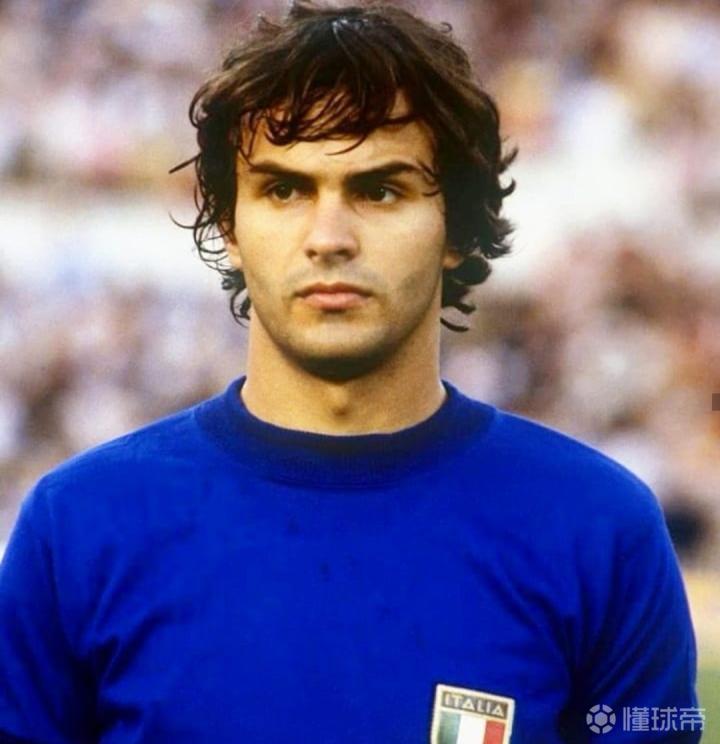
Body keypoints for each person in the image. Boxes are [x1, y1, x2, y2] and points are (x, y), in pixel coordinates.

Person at [0, 2, 700, 743]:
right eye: (284, 189)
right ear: (230, 226)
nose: (328, 237)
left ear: (456, 227)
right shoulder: (77, 529)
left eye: (379, 190)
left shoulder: (601, 529)